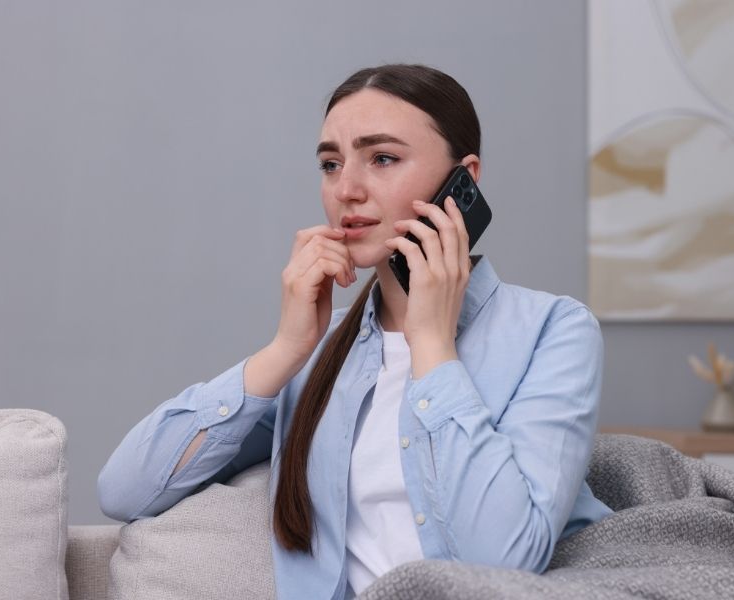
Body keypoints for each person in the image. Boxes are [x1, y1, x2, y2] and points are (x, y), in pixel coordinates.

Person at [97, 63, 613, 599]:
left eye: (383, 158)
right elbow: (126, 488)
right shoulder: (319, 354)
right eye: (330, 164)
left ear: (465, 180)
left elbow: (502, 561)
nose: (347, 189)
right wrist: (286, 349)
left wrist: (432, 345)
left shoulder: (553, 330)